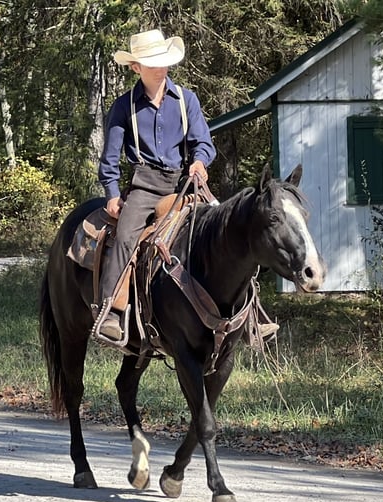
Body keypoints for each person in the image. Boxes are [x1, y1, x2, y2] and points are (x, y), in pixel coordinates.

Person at [96, 29, 278, 343]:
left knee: (228, 227)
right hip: (143, 185)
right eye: (151, 62)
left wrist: (199, 161)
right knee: (125, 236)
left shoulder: (186, 100)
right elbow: (109, 157)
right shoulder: (124, 106)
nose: (159, 68)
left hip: (183, 182)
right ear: (136, 67)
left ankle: (252, 316)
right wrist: (112, 193)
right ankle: (111, 312)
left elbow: (203, 143)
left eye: (163, 61)